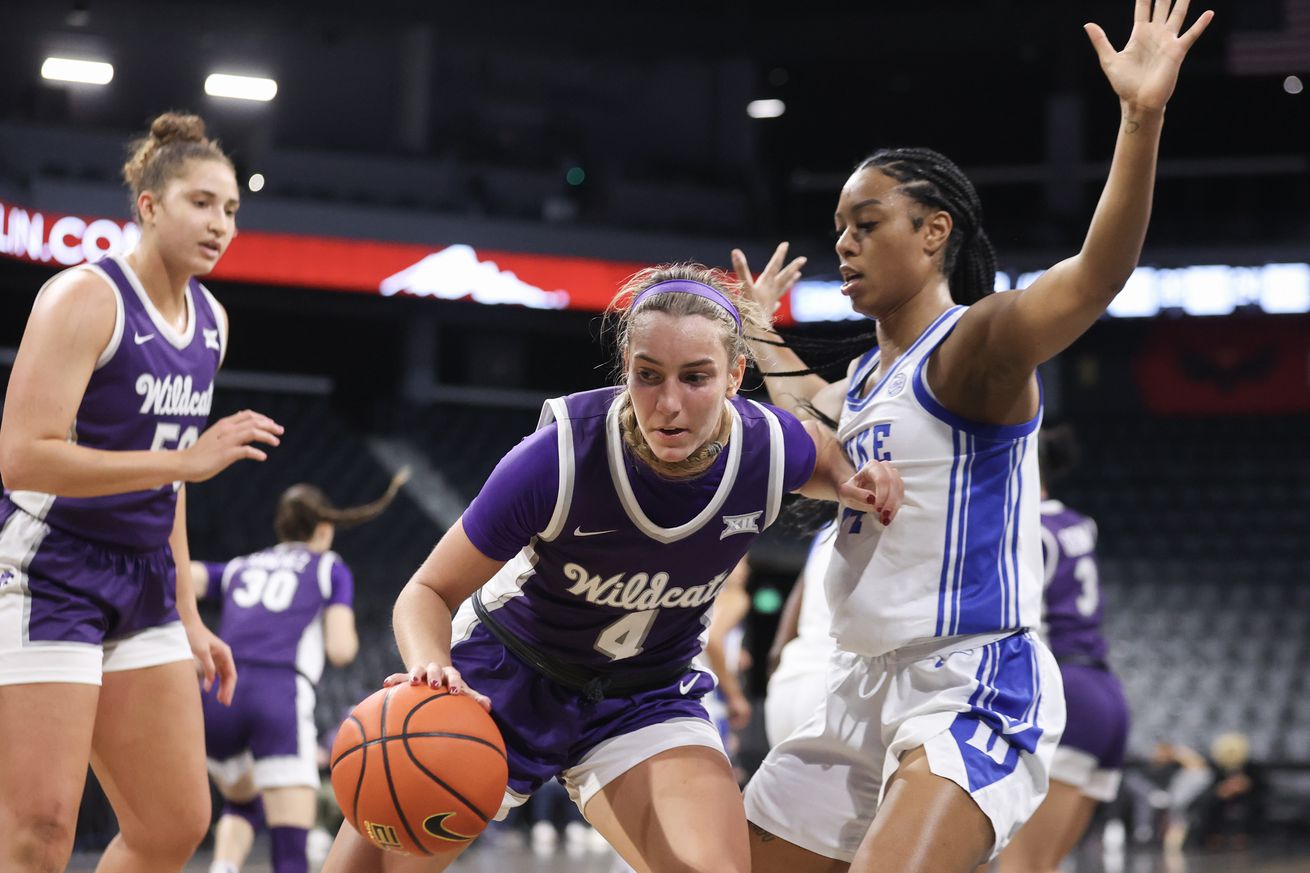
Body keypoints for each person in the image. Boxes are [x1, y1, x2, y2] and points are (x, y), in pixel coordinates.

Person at [733, 3, 1213, 871]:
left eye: (866, 222)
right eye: (839, 225)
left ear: (933, 231)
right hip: (859, 684)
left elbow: (1097, 274)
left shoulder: (973, 347)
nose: (843, 242)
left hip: (969, 680)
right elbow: (809, 405)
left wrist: (1141, 119)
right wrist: (761, 331)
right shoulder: (870, 380)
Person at [321, 263, 905, 873]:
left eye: (696, 378)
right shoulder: (558, 459)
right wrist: (428, 667)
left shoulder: (770, 446)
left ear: (735, 375)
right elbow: (426, 591)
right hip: (507, 680)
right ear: (626, 365)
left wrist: (853, 481)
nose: (670, 404)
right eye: (648, 376)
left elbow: (823, 452)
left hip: (643, 695)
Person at [0, 111, 283, 873]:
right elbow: (23, 458)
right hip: (49, 572)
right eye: (201, 202)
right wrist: (182, 464)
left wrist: (190, 613)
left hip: (147, 581)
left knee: (174, 822)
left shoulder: (211, 321)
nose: (220, 223)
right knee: (40, 831)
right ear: (149, 206)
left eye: (230, 209)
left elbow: (170, 479)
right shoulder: (83, 298)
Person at [193, 470, 409, 873]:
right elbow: (341, 650)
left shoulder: (244, 564)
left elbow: (181, 576)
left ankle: (222, 866)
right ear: (325, 529)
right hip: (276, 694)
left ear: (281, 527)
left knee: (245, 797)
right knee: (292, 841)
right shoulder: (328, 566)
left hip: (217, 693)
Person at [994, 426, 1130, 873]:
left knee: (1019, 866)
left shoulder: (1025, 530)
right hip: (1105, 692)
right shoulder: (1077, 523)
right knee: (1042, 865)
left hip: (1066, 690)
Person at [763, 521, 837, 749]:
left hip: (787, 680)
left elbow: (781, 642)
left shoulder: (826, 530)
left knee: (781, 784)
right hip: (833, 681)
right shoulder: (882, 521)